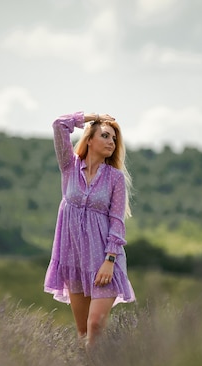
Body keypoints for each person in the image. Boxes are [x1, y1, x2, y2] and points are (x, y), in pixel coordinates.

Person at [44, 111, 135, 349]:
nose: (111, 142)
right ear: (90, 140)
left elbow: (117, 222)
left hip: (104, 261)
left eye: (114, 139)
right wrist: (91, 117)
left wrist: (110, 259)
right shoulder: (69, 167)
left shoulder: (115, 179)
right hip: (75, 260)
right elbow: (59, 125)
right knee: (84, 332)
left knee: (95, 325)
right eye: (105, 136)